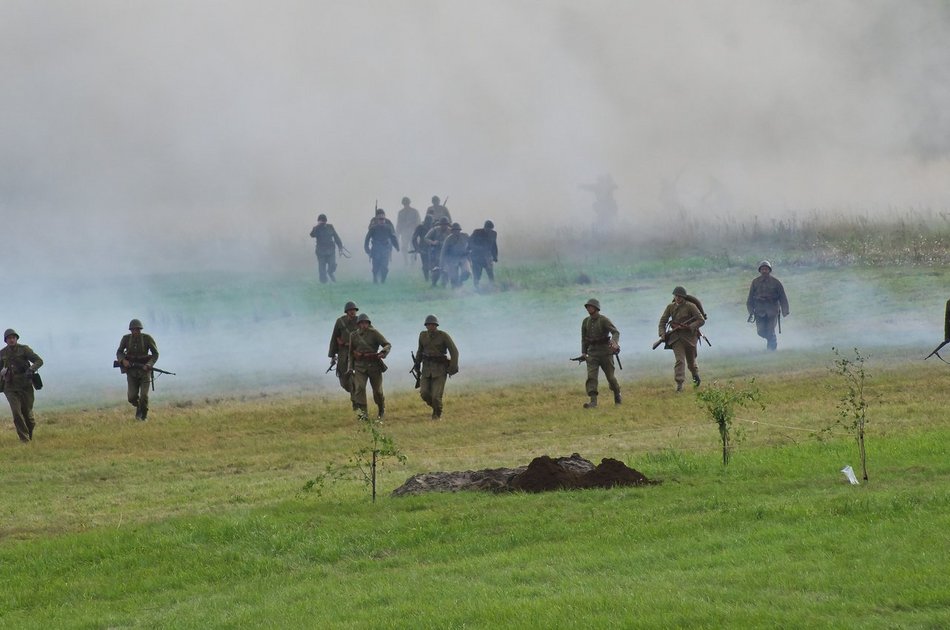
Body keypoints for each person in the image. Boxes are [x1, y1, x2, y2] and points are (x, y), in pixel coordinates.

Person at [658, 287, 705, 392]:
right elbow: (663, 321)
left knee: (691, 362)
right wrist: (662, 334)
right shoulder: (670, 307)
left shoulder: (691, 306)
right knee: (680, 361)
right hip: (676, 338)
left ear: (683, 297)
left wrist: (690, 326)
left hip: (690, 338)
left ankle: (695, 374)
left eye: (680, 296)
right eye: (676, 296)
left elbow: (701, 320)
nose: (678, 298)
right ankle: (679, 385)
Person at [0, 328, 43, 442]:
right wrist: (1, 372)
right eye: (9, 338)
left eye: (13, 337)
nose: (11, 340)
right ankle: (25, 440)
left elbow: (39, 360)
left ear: (16, 338)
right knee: (16, 413)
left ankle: (29, 433)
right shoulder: (2, 353)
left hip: (25, 385)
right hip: (9, 386)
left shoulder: (24, 349)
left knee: (28, 416)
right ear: (6, 340)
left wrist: (31, 369)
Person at [413, 315, 459, 419]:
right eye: (429, 324)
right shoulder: (422, 335)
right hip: (426, 369)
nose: (431, 326)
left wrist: (452, 368)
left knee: (436, 396)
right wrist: (417, 363)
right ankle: (436, 408)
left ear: (436, 325)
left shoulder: (443, 336)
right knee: (424, 393)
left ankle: (437, 415)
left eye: (433, 324)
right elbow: (420, 351)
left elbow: (454, 352)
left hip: (440, 370)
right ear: (426, 325)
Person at [579, 299, 621, 408]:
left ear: (596, 308)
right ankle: (593, 402)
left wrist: (614, 342)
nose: (588, 308)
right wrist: (584, 352)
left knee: (611, 378)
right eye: (587, 307)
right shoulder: (585, 321)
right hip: (592, 353)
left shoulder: (604, 320)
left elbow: (615, 332)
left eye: (590, 306)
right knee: (591, 377)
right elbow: (584, 338)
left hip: (605, 353)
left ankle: (617, 394)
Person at [348, 313, 392, 419]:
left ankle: (381, 408)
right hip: (359, 366)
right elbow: (351, 353)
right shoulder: (353, 335)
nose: (364, 325)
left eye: (366, 323)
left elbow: (387, 344)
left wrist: (383, 352)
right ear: (358, 324)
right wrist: (350, 367)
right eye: (362, 323)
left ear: (368, 323)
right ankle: (363, 414)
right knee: (360, 388)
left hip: (374, 365)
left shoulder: (374, 333)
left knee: (377, 391)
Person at [116, 319, 159, 420]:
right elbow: (119, 352)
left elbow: (155, 354)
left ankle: (143, 415)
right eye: (134, 329)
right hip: (131, 372)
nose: (136, 331)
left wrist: (149, 364)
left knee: (144, 396)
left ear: (140, 329)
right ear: (130, 330)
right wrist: (123, 361)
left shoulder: (147, 338)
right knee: (131, 397)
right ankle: (139, 407)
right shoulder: (126, 339)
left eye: (138, 329)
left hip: (144, 371)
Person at [746, 260, 790, 351]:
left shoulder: (776, 282)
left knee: (770, 330)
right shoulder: (755, 282)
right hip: (759, 310)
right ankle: (772, 341)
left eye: (766, 269)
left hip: (772, 310)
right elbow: (750, 298)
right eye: (762, 269)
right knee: (761, 331)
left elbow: (782, 297)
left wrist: (785, 310)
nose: (764, 271)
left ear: (769, 270)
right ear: (760, 270)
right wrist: (751, 311)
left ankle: (771, 349)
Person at [329, 301, 360, 406]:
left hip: (356, 352)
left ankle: (356, 400)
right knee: (344, 379)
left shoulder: (361, 321)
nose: (352, 312)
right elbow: (334, 338)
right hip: (343, 353)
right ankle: (353, 393)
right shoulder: (340, 322)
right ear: (346, 311)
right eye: (350, 310)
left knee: (354, 377)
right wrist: (332, 356)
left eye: (354, 310)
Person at [364, 209, 399, 283]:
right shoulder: (373, 224)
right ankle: (375, 278)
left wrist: (396, 246)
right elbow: (368, 236)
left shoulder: (388, 224)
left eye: (383, 217)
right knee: (376, 266)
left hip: (386, 247)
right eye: (379, 217)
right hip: (376, 247)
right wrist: (368, 250)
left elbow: (392, 235)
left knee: (384, 266)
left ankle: (382, 280)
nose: (381, 219)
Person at [309, 214, 344, 283]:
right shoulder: (316, 228)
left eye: (324, 221)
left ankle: (330, 272)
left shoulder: (330, 227)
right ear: (318, 221)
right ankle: (323, 283)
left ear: (326, 221)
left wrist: (340, 246)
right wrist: (317, 226)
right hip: (320, 251)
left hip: (330, 250)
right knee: (322, 269)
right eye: (321, 221)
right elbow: (312, 235)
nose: (323, 223)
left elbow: (336, 237)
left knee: (332, 264)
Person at [439, 223, 472, 288]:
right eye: (454, 230)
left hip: (463, 257)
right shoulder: (448, 239)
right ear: (452, 231)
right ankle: (455, 289)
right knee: (453, 277)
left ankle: (460, 281)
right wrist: (442, 264)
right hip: (452, 259)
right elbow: (443, 252)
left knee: (466, 273)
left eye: (457, 230)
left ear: (460, 230)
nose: (456, 231)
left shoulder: (465, 236)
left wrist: (470, 253)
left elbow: (472, 244)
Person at [469, 220, 498, 289]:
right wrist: (476, 248)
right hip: (476, 256)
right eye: (488, 228)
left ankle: (492, 286)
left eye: (490, 229)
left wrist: (495, 256)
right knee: (477, 273)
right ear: (484, 227)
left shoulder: (493, 234)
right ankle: (476, 287)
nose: (489, 230)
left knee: (490, 272)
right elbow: (470, 242)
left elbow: (494, 245)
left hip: (487, 256)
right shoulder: (477, 232)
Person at [424, 216, 452, 287]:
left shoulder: (450, 231)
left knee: (446, 269)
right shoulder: (435, 230)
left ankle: (444, 284)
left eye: (445, 224)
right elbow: (426, 238)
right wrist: (433, 242)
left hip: (446, 253)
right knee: (435, 269)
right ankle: (434, 283)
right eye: (442, 224)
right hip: (436, 252)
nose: (444, 226)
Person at [396, 197, 421, 265]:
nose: (406, 204)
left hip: (413, 232)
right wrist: (397, 234)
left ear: (409, 203)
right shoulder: (400, 213)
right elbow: (399, 224)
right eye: (404, 203)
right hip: (404, 233)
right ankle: (406, 261)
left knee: (413, 247)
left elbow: (418, 222)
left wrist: (418, 232)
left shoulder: (415, 211)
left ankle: (412, 262)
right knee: (404, 248)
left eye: (406, 203)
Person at [411, 215, 434, 281]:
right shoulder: (420, 227)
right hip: (423, 248)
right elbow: (414, 238)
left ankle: (433, 278)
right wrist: (417, 248)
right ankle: (427, 279)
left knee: (433, 264)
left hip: (433, 248)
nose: (429, 223)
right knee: (425, 264)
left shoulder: (434, 227)